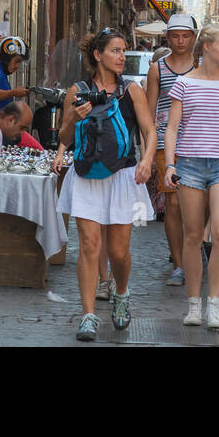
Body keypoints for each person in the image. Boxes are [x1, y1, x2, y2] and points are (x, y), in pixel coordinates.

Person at [58, 28, 156, 342]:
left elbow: (149, 131)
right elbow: (62, 138)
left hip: (124, 174)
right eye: (115, 50)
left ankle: (122, 293)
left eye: (123, 51)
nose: (121, 56)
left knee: (118, 251)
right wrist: (74, 117)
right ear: (98, 55)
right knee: (89, 245)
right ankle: (88, 315)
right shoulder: (78, 90)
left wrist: (147, 160)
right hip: (86, 174)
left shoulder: (132, 90)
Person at [163, 22, 219, 332]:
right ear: (207, 48)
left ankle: (214, 305)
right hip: (188, 165)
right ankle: (193, 305)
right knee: (192, 235)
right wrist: (169, 166)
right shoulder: (185, 83)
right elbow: (172, 128)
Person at [145, 12, 197, 286]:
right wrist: (148, 152)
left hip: (198, 143)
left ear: (194, 38)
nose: (180, 41)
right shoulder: (158, 69)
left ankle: (194, 248)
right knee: (173, 204)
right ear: (168, 38)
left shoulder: (202, 66)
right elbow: (149, 112)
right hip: (167, 141)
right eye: (175, 36)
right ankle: (179, 264)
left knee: (197, 204)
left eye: (185, 36)